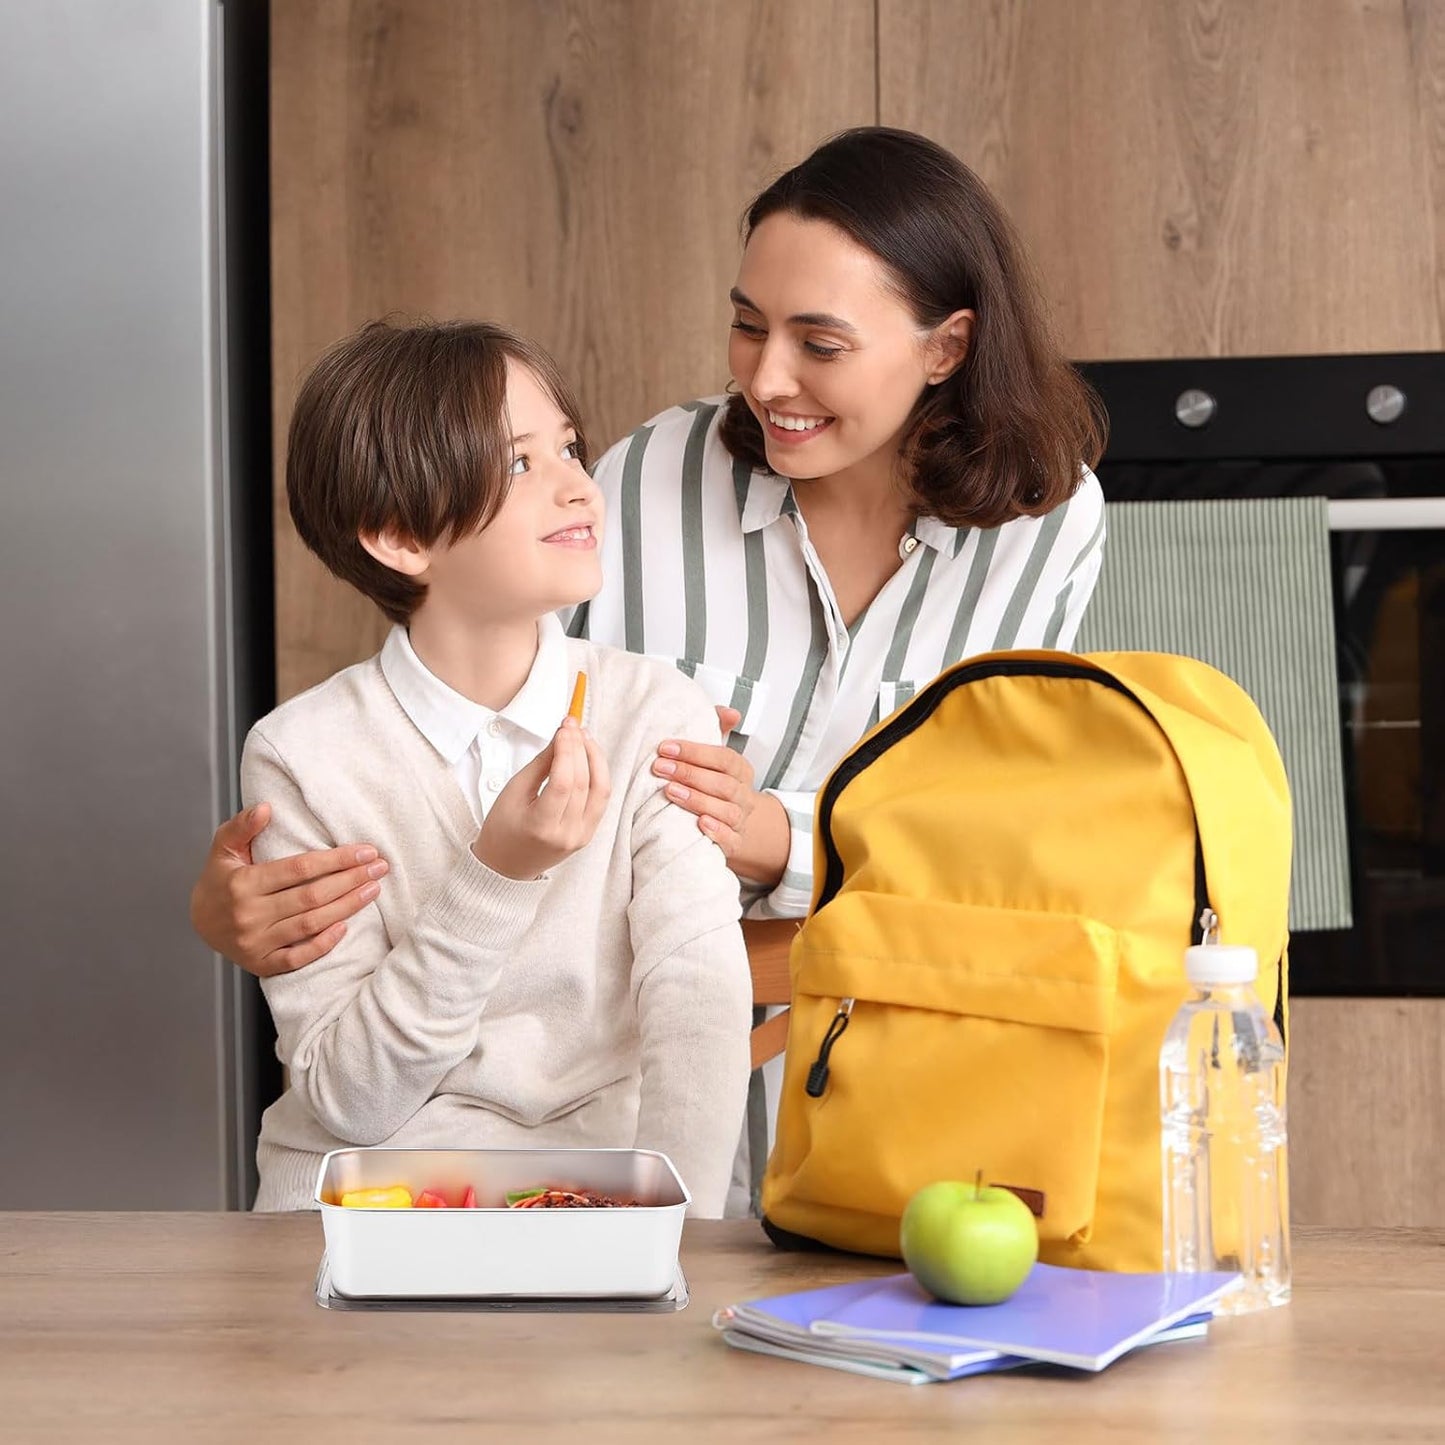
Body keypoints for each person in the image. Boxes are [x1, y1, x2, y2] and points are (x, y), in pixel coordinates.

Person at [191, 126, 1106, 1206]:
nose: (766, 378)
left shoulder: (1046, 526)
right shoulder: (645, 484)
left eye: (819, 342)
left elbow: (996, 833)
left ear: (943, 347)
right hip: (538, 1141)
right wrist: (237, 920)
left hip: (870, 1065)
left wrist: (773, 839)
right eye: (745, 324)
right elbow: (465, 671)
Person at [240, 318, 751, 1214]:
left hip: (593, 1198)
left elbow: (696, 994)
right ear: (400, 535)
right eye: (521, 465)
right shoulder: (302, 754)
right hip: (364, 1209)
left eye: (568, 447)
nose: (577, 486)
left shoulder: (653, 711)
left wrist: (682, 1235)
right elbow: (349, 1100)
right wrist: (496, 874)